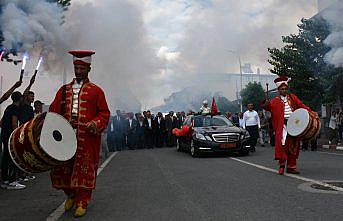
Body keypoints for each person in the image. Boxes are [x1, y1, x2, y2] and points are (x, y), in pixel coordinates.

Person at [49, 50, 110, 218]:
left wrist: (94, 123)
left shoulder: (97, 91)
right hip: (65, 138)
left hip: (87, 138)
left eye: (82, 69)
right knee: (61, 168)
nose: (78, 71)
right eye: (76, 68)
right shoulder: (63, 90)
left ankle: (83, 201)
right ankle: (71, 194)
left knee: (84, 169)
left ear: (88, 69)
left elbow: (104, 113)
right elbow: (53, 112)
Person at [261, 76, 316, 175]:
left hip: (294, 125)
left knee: (294, 146)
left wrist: (310, 111)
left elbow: (301, 105)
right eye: (282, 89)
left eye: (285, 88)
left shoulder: (293, 98)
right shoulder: (274, 101)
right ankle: (282, 166)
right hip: (282, 127)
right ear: (279, 90)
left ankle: (291, 167)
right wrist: (265, 103)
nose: (284, 90)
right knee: (283, 146)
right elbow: (268, 107)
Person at [0, 91, 26, 190]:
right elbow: (14, 123)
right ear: (20, 99)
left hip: (4, 134)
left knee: (6, 157)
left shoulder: (8, 108)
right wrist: (16, 135)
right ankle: (12, 181)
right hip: (10, 135)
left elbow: (1, 123)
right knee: (12, 157)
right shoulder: (15, 109)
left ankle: (5, 180)